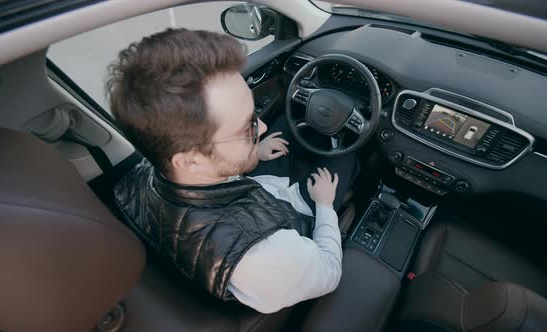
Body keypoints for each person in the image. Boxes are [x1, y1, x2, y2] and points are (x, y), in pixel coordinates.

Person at [108, 28, 359, 314]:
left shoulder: (136, 180)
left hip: (253, 193)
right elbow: (329, 272)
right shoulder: (267, 256)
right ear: (191, 160)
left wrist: (254, 148)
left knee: (285, 127)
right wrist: (325, 205)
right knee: (348, 152)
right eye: (246, 128)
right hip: (293, 216)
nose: (261, 128)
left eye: (254, 118)